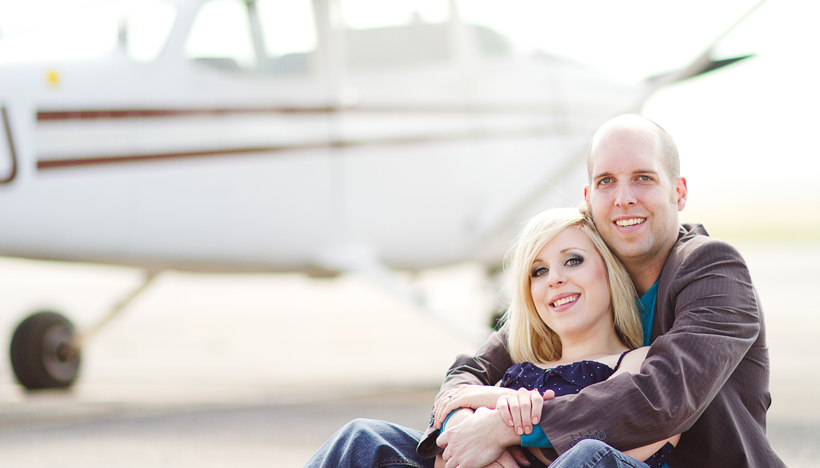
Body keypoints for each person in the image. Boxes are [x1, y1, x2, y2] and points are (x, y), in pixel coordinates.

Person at [303, 114, 786, 468]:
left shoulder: (711, 268)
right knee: (363, 441)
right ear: (588, 197)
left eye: (643, 178)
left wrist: (511, 427)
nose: (623, 198)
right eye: (606, 182)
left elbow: (661, 398)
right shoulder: (587, 271)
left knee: (586, 458)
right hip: (543, 456)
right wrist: (466, 433)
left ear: (678, 192)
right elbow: (475, 365)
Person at [306, 206, 678, 468]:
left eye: (573, 260)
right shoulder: (520, 365)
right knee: (363, 438)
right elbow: (453, 452)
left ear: (609, 270)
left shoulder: (641, 362)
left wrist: (498, 416)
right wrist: (479, 443)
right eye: (538, 271)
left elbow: (632, 437)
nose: (555, 278)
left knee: (586, 456)